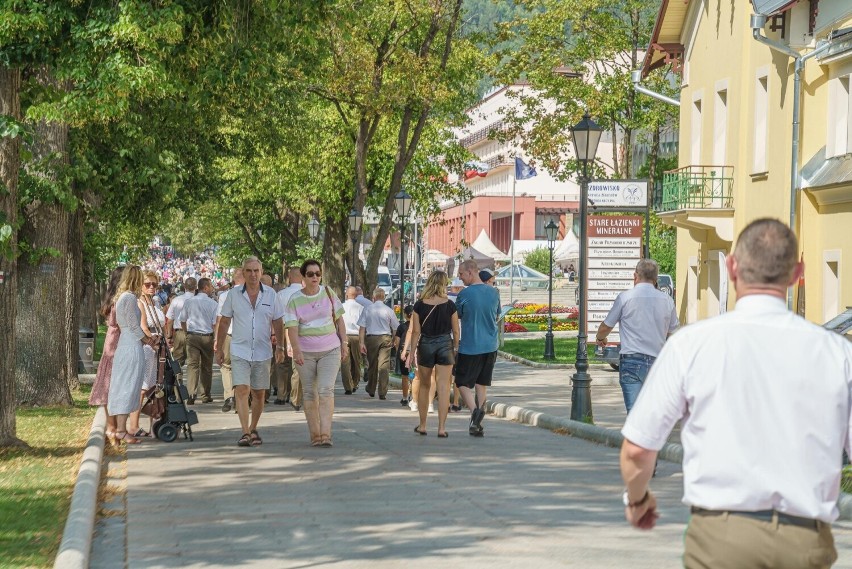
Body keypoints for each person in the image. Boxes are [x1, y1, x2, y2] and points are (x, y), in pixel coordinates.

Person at [619, 219, 852, 568]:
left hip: (719, 537)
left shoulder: (692, 345)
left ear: (731, 267)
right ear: (797, 272)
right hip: (804, 540)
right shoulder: (838, 354)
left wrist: (638, 502)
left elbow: (638, 450)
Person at [215, 257, 285, 447]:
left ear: (261, 272)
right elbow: (224, 322)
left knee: (259, 393)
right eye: (249, 271)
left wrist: (280, 346)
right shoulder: (234, 294)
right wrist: (220, 347)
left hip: (263, 351)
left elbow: (278, 321)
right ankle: (245, 432)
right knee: (242, 389)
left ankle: (254, 428)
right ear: (243, 273)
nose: (253, 274)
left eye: (256, 271)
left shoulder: (271, 295)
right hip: (239, 349)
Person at [595, 259, 679, 413]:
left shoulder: (625, 298)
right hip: (657, 363)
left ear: (635, 276)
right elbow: (672, 331)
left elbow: (606, 326)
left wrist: (600, 339)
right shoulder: (667, 301)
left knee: (634, 414)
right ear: (656, 279)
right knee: (654, 414)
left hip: (631, 362)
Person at [284, 260, 347, 447]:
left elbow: (340, 320)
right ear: (303, 277)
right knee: (310, 393)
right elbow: (292, 328)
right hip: (306, 352)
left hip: (330, 349)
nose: (315, 277)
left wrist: (344, 343)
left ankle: (326, 434)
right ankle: (315, 435)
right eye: (310, 274)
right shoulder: (295, 299)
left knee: (326, 389)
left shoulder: (328, 292)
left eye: (318, 274)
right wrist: (296, 350)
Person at [107, 266, 158, 445]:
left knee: (129, 387)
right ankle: (121, 429)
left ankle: (122, 428)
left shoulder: (125, 298)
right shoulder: (128, 298)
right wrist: (149, 341)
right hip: (130, 345)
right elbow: (134, 326)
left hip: (128, 343)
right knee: (127, 387)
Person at [407, 271, 459, 438]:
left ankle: (422, 425)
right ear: (443, 284)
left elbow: (415, 331)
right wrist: (455, 347)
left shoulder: (419, 305)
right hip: (445, 344)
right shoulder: (450, 305)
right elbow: (456, 331)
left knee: (424, 385)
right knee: (444, 387)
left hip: (426, 344)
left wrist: (411, 352)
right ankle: (441, 428)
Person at [455, 260, 500, 437]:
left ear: (471, 273)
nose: (459, 278)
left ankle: (475, 411)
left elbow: (458, 314)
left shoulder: (464, 294)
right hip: (490, 345)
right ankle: (478, 423)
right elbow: (497, 314)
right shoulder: (494, 292)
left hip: (470, 346)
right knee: (482, 383)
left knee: (461, 382)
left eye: (461, 274)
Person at [128, 270, 166, 438]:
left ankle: (153, 425)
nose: (151, 287)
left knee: (154, 387)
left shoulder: (154, 303)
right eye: (147, 284)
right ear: (140, 286)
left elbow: (161, 324)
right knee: (142, 388)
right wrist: (153, 342)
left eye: (154, 284)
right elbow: (143, 327)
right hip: (147, 348)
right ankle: (134, 426)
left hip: (157, 348)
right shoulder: (139, 302)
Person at [89, 266, 124, 441]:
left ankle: (114, 427)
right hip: (116, 346)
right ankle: (112, 427)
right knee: (111, 387)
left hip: (113, 344)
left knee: (112, 387)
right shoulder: (119, 302)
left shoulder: (112, 299)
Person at [181, 277, 219, 404]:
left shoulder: (189, 302)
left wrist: (186, 333)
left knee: (192, 365)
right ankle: (205, 394)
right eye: (211, 286)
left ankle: (191, 394)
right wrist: (216, 339)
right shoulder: (213, 304)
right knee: (207, 367)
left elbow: (182, 319)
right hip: (207, 336)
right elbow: (215, 324)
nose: (212, 289)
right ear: (206, 287)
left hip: (192, 335)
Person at [358, 287, 399, 400]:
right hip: (385, 338)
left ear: (374, 297)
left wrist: (361, 342)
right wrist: (394, 339)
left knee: (372, 364)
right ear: (384, 297)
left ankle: (371, 388)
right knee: (384, 365)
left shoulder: (368, 309)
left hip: (371, 338)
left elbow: (362, 328)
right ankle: (382, 391)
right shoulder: (388, 310)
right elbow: (395, 327)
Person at [274, 267, 304, 409]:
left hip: (284, 328)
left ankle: (281, 394)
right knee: (298, 364)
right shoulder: (305, 294)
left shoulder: (281, 294)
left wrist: (274, 333)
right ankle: (295, 395)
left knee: (282, 363)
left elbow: (277, 316)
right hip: (301, 331)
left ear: (290, 278)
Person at [216, 268, 244, 412]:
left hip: (228, 334)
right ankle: (241, 399)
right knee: (243, 367)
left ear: (233, 280)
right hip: (245, 336)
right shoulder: (252, 294)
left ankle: (229, 396)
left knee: (226, 366)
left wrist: (217, 341)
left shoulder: (224, 296)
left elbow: (220, 319)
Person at [165, 277, 197, 367]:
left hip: (180, 333)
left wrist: (169, 335)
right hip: (195, 333)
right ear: (196, 287)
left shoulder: (176, 300)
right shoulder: (199, 301)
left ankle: (178, 379)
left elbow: (170, 320)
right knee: (194, 362)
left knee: (178, 361)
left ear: (184, 287)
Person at [341, 286, 364, 395]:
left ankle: (348, 386)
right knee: (356, 361)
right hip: (356, 335)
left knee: (345, 361)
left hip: (344, 335)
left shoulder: (341, 306)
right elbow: (363, 326)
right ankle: (355, 383)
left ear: (347, 294)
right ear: (356, 295)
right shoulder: (360, 307)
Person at [394, 305, 413, 406]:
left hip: (404, 352)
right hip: (414, 352)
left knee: (405, 376)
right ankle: (413, 397)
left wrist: (399, 351)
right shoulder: (418, 326)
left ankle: (405, 398)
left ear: (405, 315)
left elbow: (397, 341)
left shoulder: (401, 327)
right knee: (414, 375)